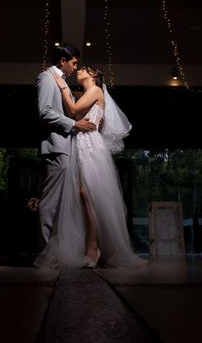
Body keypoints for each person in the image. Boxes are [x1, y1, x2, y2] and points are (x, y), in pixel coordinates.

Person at [34, 64, 145, 269]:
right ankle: (90, 245)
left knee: (88, 193)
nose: (78, 70)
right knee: (83, 195)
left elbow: (74, 110)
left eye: (83, 68)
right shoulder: (84, 93)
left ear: (93, 75)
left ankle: (94, 247)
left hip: (90, 146)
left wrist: (63, 87)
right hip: (78, 144)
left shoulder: (95, 90)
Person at [36, 43, 97, 251]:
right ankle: (46, 252)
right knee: (51, 202)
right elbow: (44, 112)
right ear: (63, 61)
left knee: (62, 203)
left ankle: (57, 250)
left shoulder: (61, 82)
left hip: (67, 148)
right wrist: (74, 124)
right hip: (56, 147)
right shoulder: (46, 78)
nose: (75, 67)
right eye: (73, 62)